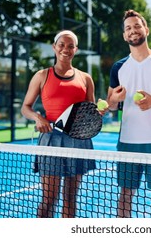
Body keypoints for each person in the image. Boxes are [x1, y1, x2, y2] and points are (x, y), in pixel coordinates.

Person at [106, 9, 151, 218]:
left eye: (137, 26)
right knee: (125, 194)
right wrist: (114, 101)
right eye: (128, 28)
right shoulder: (118, 67)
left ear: (146, 29)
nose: (133, 30)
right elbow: (110, 104)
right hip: (127, 142)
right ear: (124, 35)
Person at [21, 30, 96, 218]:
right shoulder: (41, 75)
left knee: (70, 199)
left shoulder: (86, 78)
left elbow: (91, 111)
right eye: (61, 44)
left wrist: (97, 112)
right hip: (50, 141)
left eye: (70, 46)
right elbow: (25, 107)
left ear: (76, 50)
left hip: (78, 141)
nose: (66, 49)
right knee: (49, 200)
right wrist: (38, 118)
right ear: (54, 47)